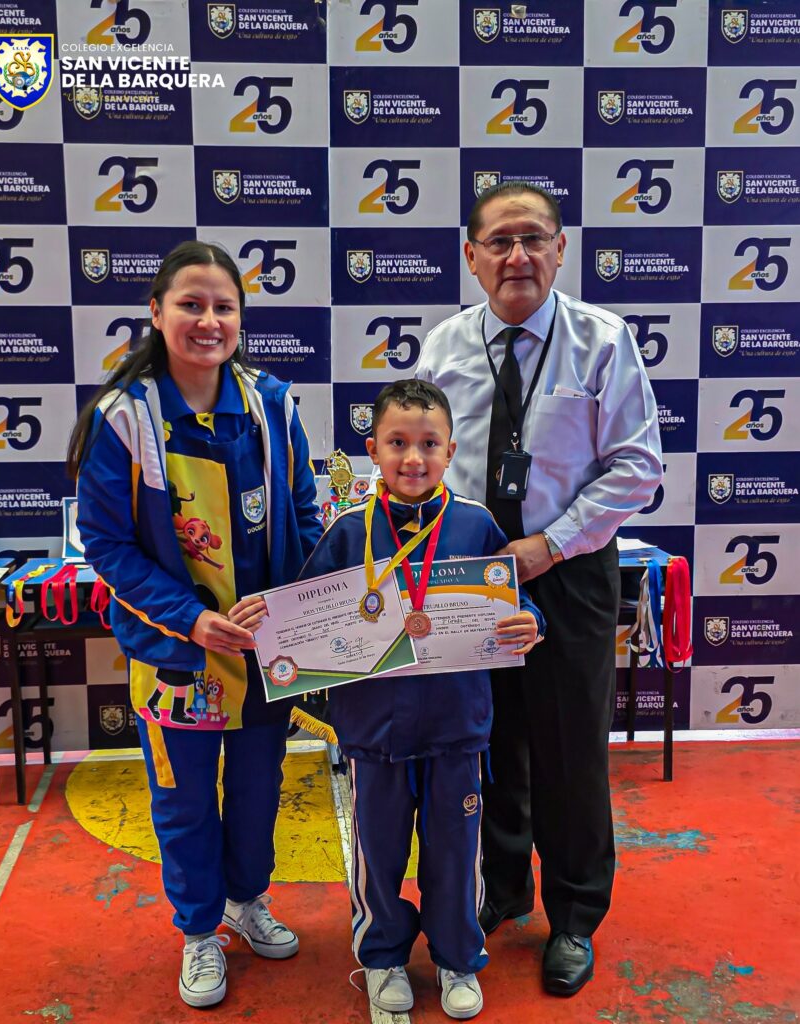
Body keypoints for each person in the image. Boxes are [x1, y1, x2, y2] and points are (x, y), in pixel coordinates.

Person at [415, 181, 662, 996]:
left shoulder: (601, 340)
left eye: (532, 239)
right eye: (498, 241)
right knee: (485, 743)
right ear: (471, 256)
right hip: (468, 574)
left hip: (569, 572)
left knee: (568, 753)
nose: (516, 256)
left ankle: (575, 916)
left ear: (560, 249)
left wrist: (548, 547)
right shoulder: (443, 347)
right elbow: (423, 456)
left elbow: (636, 466)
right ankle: (503, 890)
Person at [67, 240, 321, 1009]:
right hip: (176, 656)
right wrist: (192, 619)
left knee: (257, 793)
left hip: (264, 656)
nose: (208, 321)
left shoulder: (271, 404)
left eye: (223, 307)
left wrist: (301, 612)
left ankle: (246, 901)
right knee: (183, 806)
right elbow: (106, 545)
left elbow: (303, 514)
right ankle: (199, 931)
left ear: (240, 318)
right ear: (156, 312)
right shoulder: (123, 418)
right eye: (190, 304)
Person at [294, 379, 544, 1019]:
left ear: (451, 450)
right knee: (377, 854)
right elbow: (305, 615)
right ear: (372, 450)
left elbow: (513, 601)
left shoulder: (475, 523)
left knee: (457, 853)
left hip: (456, 727)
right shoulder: (349, 531)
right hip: (373, 731)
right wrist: (275, 630)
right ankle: (382, 958)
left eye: (429, 444)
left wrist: (531, 622)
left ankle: (458, 956)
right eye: (398, 443)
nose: (413, 458)